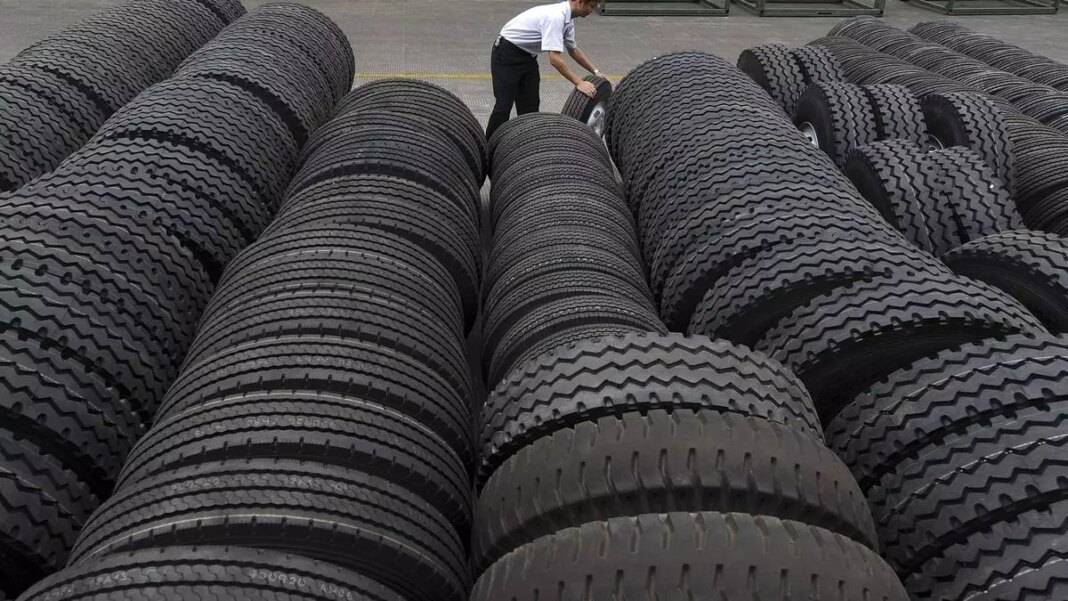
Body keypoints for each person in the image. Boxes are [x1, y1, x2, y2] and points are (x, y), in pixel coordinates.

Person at [486, 0, 604, 140]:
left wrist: (595, 71)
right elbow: (554, 59)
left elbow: (573, 50)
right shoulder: (556, 17)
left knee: (530, 107)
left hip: (527, 57)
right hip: (506, 53)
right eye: (591, 6)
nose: (591, 11)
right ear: (580, 2)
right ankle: (489, 148)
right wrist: (579, 82)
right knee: (503, 106)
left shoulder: (567, 20)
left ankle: (527, 146)